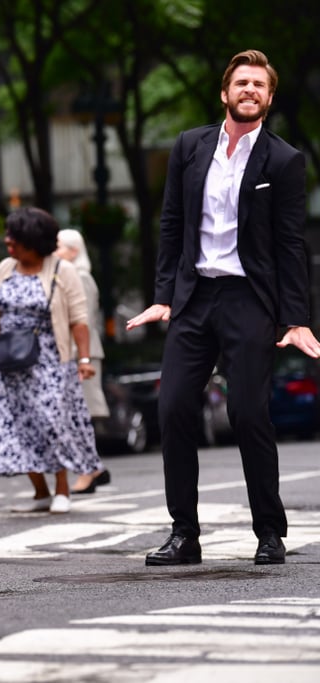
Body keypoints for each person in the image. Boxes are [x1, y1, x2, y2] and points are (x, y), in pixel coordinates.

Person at [126, 50, 320, 567]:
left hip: (247, 299)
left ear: (269, 97)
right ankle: (184, 534)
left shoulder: (283, 160)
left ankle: (270, 532)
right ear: (225, 92)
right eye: (241, 82)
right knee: (173, 410)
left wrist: (296, 318)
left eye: (259, 84)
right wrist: (165, 295)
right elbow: (171, 224)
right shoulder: (190, 147)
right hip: (194, 298)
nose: (250, 90)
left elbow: (290, 244)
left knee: (248, 413)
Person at [0, 208, 102, 515]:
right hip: (12, 364)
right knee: (17, 427)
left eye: (16, 239)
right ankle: (40, 491)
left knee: (52, 424)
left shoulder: (62, 269)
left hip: (50, 362)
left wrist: (84, 359)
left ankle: (62, 488)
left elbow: (79, 319)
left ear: (34, 241)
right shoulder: (6, 267)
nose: (9, 243)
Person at [55, 228, 111, 494]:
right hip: (73, 354)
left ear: (74, 250)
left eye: (58, 245)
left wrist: (81, 355)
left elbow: (83, 319)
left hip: (81, 355)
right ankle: (93, 468)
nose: (54, 251)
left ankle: (89, 470)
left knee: (79, 415)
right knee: (71, 415)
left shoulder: (81, 277)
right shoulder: (66, 276)